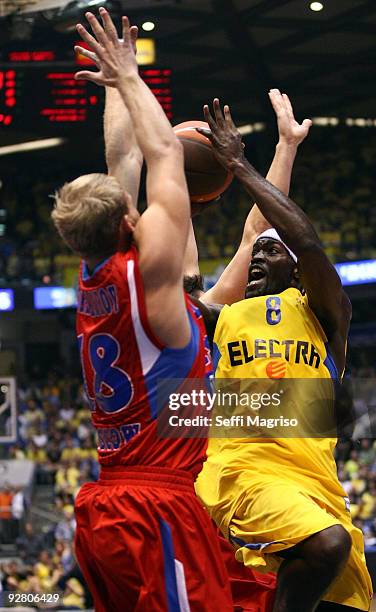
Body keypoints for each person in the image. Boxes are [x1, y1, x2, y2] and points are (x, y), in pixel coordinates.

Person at [52, 9, 232, 611]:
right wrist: (130, 75)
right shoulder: (152, 279)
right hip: (156, 505)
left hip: (108, 504)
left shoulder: (94, 274)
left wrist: (116, 85)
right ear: (129, 223)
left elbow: (122, 165)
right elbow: (164, 156)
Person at [193, 100, 372, 612]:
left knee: (345, 594)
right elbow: (252, 238)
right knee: (326, 544)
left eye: (271, 254)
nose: (257, 259)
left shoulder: (323, 311)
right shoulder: (223, 316)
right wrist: (178, 194)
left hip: (314, 484)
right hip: (242, 471)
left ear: (295, 272)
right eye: (256, 255)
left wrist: (272, 153)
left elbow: (300, 239)